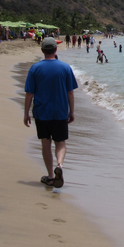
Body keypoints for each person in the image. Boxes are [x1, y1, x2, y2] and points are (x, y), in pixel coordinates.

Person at [24, 37, 77, 188]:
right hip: (60, 112)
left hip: (41, 112)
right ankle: (59, 165)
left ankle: (51, 177)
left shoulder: (35, 68)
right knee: (60, 142)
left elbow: (29, 93)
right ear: (56, 49)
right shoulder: (65, 68)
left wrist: (26, 113)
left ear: (42, 50)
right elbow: (70, 92)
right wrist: (72, 111)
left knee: (46, 143)